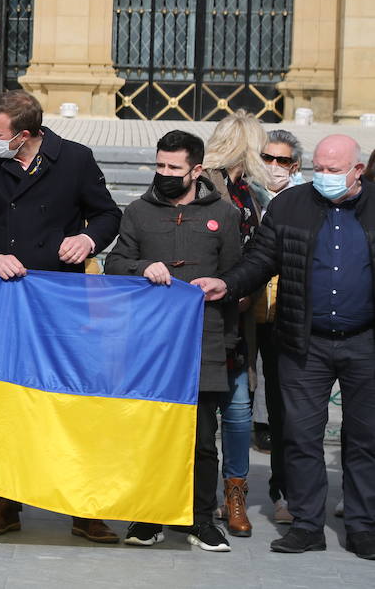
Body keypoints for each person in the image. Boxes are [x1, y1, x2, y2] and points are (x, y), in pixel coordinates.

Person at [194, 134, 375, 560]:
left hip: (366, 342)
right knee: (299, 437)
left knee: (366, 438)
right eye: (320, 170)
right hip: (303, 341)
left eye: (335, 171)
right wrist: (228, 282)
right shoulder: (290, 206)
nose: (325, 178)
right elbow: (259, 259)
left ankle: (364, 526)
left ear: (358, 171)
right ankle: (307, 524)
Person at [0, 89, 123, 543]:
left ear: (25, 135)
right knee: (8, 402)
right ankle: (5, 504)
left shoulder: (75, 159)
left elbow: (108, 214)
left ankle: (83, 508)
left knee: (70, 403)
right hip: (7, 300)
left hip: (63, 304)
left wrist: (88, 240)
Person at [105, 130, 242, 552]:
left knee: (201, 439)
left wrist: (223, 293)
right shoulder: (139, 212)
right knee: (150, 433)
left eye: (174, 168)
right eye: (160, 165)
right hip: (149, 346)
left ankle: (199, 519)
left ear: (196, 170)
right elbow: (115, 264)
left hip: (205, 343)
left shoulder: (225, 213)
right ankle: (147, 518)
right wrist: (144, 266)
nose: (164, 174)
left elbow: (238, 277)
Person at [202, 110, 270, 538]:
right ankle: (204, 496)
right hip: (210, 313)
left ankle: (235, 494)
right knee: (211, 410)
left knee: (240, 411)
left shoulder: (249, 190)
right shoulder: (206, 184)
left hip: (241, 317)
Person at [254, 128, 304, 523]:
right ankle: (228, 489)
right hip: (244, 310)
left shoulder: (305, 201)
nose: (273, 167)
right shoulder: (241, 195)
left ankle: (282, 491)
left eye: (282, 161)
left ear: (296, 166)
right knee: (234, 408)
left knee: (282, 408)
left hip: (281, 317)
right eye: (267, 158)